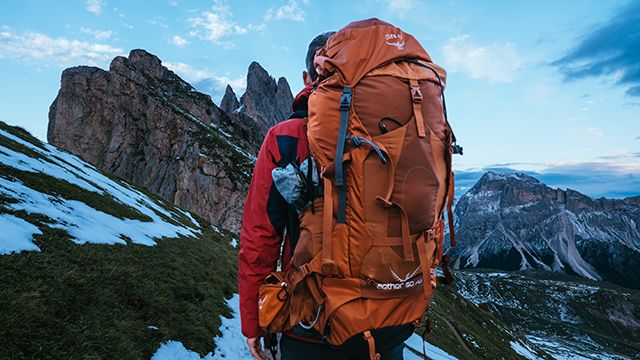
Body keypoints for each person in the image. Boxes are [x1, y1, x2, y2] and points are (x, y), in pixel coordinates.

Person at [238, 32, 415, 360]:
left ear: (307, 77)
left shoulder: (285, 137)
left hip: (310, 326)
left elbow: (260, 239)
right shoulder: (395, 130)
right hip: (387, 322)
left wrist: (253, 321)